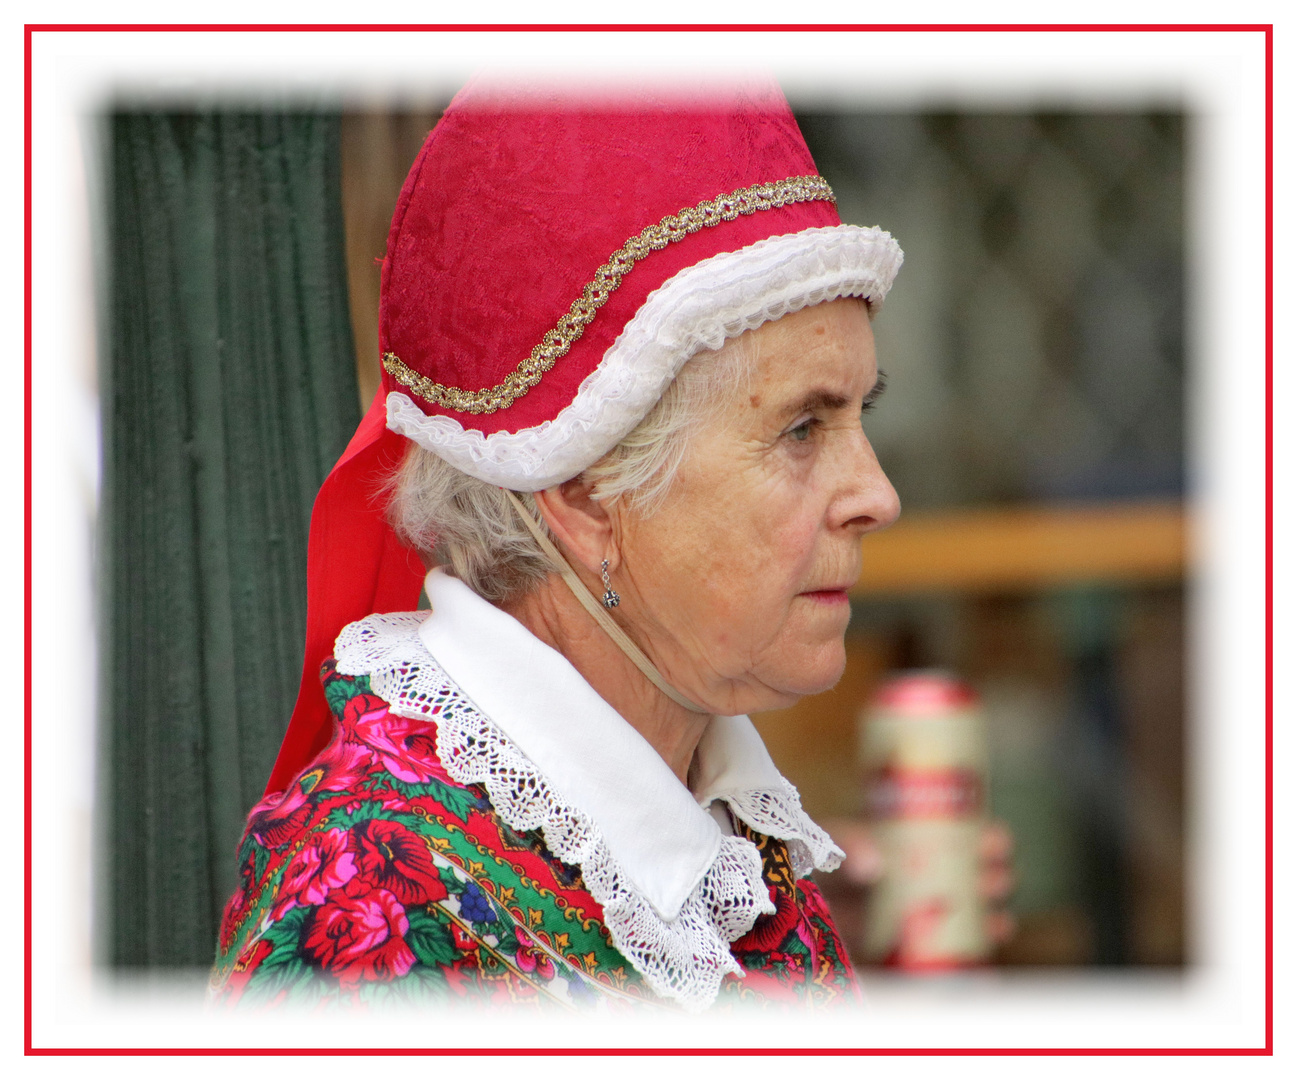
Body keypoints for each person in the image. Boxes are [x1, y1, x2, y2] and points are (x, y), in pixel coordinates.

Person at [209, 77, 998, 1013]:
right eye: (800, 430)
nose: (877, 495)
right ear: (584, 488)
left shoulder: (729, 832)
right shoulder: (375, 917)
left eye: (857, 412)